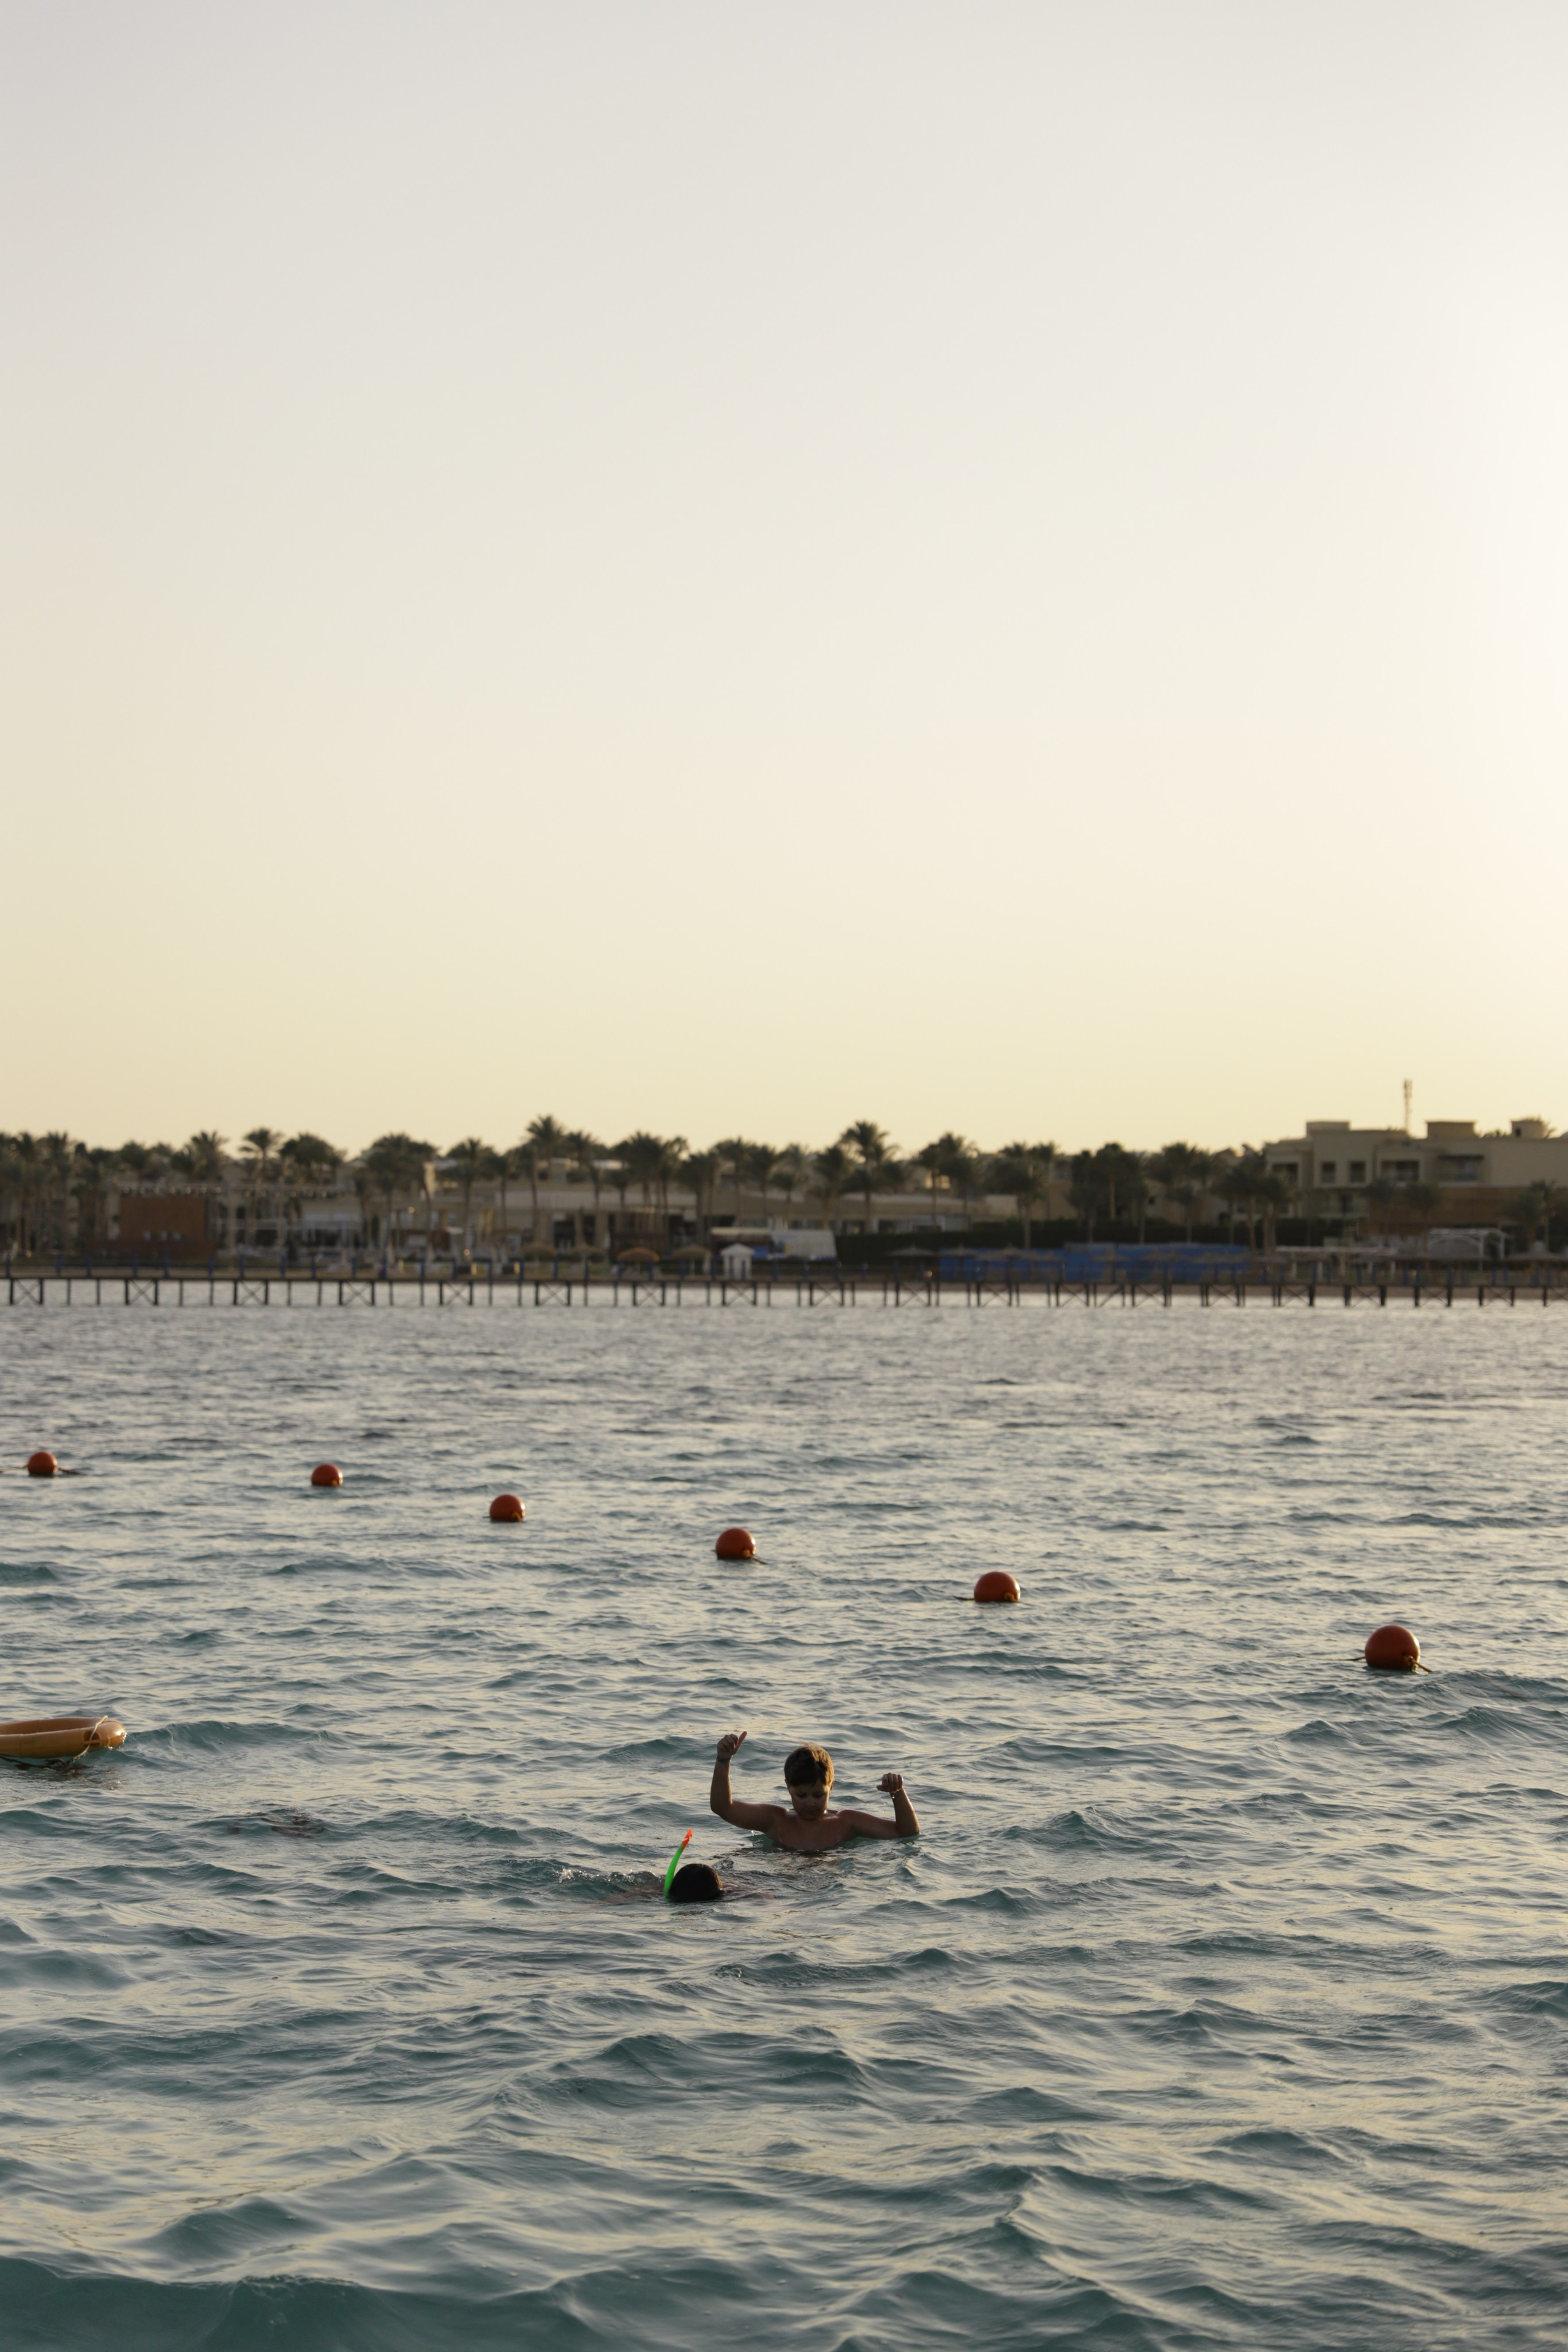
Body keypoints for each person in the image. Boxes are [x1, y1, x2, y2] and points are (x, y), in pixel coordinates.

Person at [710, 1732, 919, 1850]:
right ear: (788, 1788)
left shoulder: (846, 1823)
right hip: (781, 1881)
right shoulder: (776, 1820)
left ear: (831, 1787)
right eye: (801, 1795)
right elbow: (723, 1808)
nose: (810, 1803)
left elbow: (907, 1833)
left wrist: (898, 1793)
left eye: (819, 1795)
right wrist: (724, 1760)